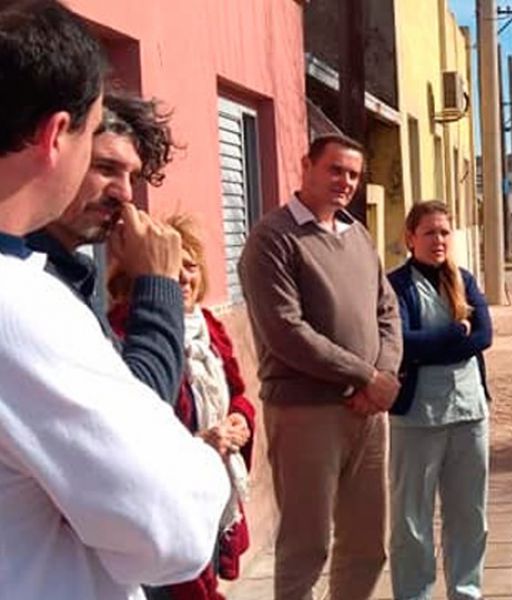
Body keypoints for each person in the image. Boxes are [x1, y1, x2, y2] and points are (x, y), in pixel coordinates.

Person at [0, 2, 229, 599]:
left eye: (133, 176)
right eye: (100, 163)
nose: (124, 196)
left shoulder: (54, 278)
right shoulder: (25, 302)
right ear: (56, 136)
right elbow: (169, 519)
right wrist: (157, 291)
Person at [238, 133, 403, 600]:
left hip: (369, 413)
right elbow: (286, 332)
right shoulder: (272, 239)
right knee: (305, 547)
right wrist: (364, 376)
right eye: (335, 169)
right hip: (307, 412)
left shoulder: (357, 234)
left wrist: (383, 377)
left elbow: (386, 311)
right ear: (306, 165)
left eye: (353, 174)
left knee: (368, 544)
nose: (345, 181)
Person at [108, 215, 256, 600]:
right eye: (171, 267)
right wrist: (200, 441)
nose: (183, 277)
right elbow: (136, 427)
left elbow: (237, 391)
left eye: (190, 266)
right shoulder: (127, 331)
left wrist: (240, 417)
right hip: (162, 510)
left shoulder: (209, 327)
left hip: (210, 494)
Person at [27, 90, 184, 404]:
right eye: (106, 168)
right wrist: (159, 285)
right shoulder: (28, 277)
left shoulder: (69, 274)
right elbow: (140, 411)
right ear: (57, 155)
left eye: (133, 177)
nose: (124, 194)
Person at [387, 201, 493, 600]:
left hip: (470, 415)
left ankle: (466, 592)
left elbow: (483, 336)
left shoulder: (463, 279)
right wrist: (454, 336)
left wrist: (440, 343)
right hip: (418, 418)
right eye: (429, 232)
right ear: (410, 238)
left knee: (470, 517)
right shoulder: (394, 286)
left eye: (444, 232)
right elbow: (400, 344)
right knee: (411, 522)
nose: (438, 240)